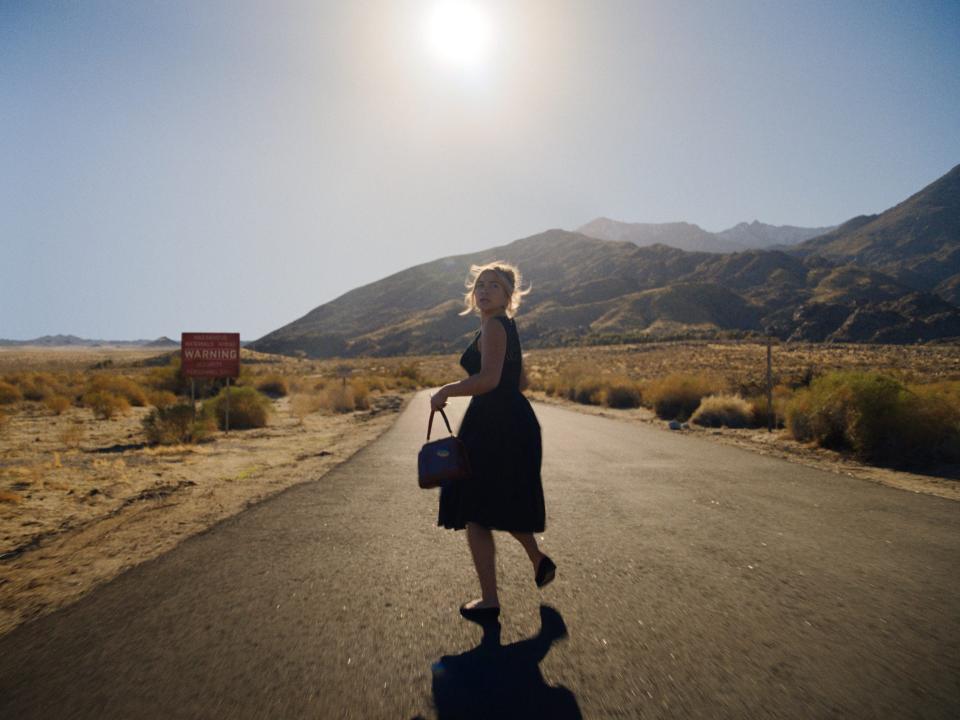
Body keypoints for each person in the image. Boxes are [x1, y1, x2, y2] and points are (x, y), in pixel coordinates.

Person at [431, 260, 556, 622]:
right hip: (509, 421)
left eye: (495, 285)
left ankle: (490, 600)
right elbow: (518, 382)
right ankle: (537, 559)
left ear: (508, 295)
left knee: (474, 510)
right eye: (481, 284)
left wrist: (446, 391)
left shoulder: (494, 327)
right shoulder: (502, 326)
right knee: (497, 500)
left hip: (495, 426)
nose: (485, 290)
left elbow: (487, 381)